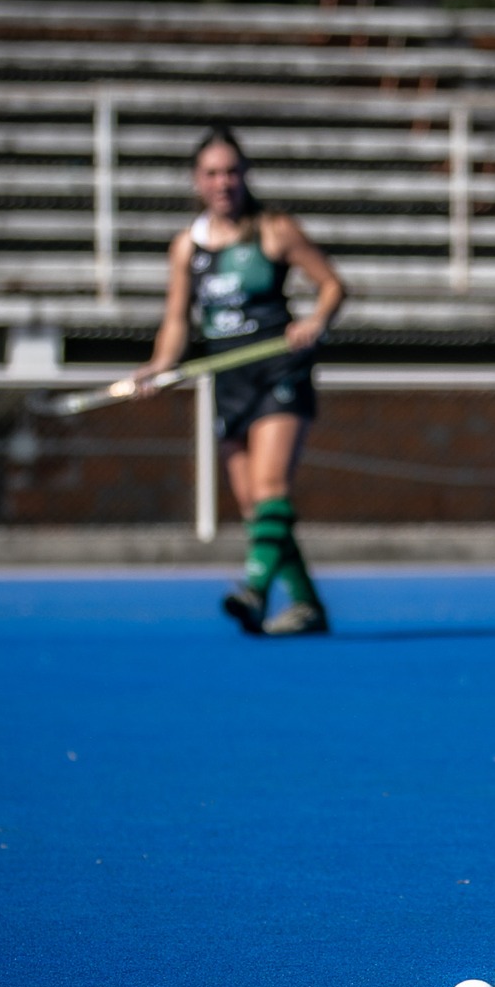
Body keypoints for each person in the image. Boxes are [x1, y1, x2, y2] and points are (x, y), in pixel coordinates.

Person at [142, 126, 345, 636]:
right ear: (197, 181)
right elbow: (175, 321)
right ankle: (307, 606)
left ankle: (253, 589)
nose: (223, 181)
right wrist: (159, 365)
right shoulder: (187, 247)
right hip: (228, 377)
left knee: (270, 485)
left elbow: (331, 285)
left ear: (245, 175)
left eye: (231, 171)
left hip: (278, 368)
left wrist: (315, 321)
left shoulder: (273, 230)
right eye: (212, 173)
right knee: (255, 505)